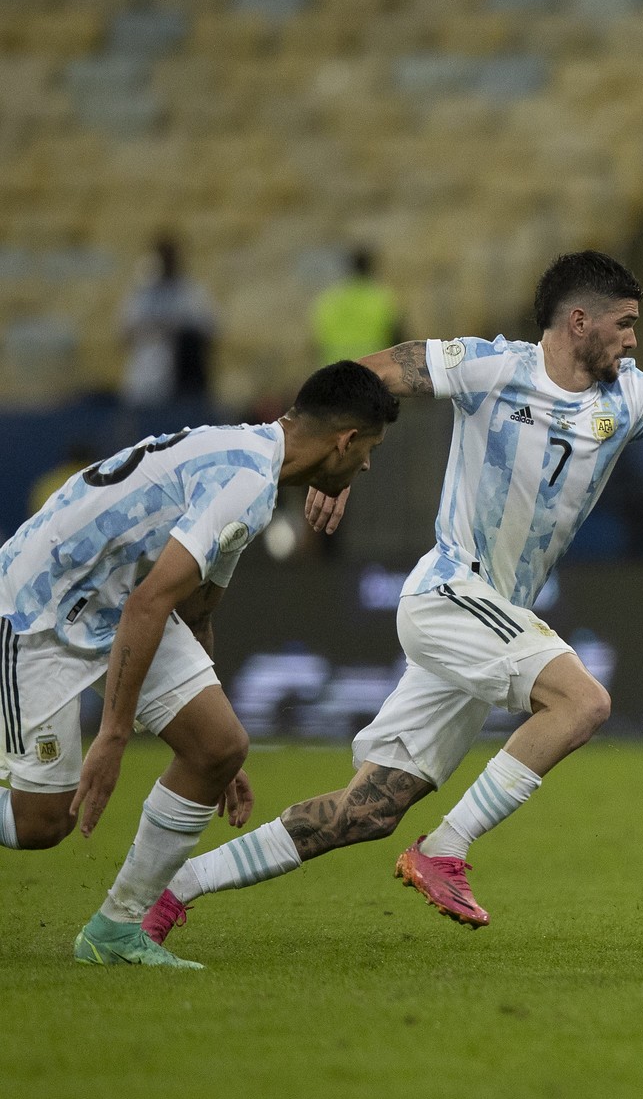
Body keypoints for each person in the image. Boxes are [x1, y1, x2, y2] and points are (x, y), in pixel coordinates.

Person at [146, 252, 643, 939]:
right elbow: (369, 373)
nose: (634, 340)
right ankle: (444, 848)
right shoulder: (493, 367)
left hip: (496, 620)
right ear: (579, 321)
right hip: (449, 592)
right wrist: (321, 457)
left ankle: (172, 891)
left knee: (367, 811)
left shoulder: (634, 396)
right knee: (584, 701)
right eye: (625, 323)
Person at [0, 362, 397, 967]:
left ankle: (115, 931)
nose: (366, 466)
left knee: (218, 744)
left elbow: (197, 610)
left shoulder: (252, 467)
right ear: (345, 441)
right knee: (41, 824)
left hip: (115, 602)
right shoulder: (246, 481)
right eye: (370, 449)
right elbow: (150, 603)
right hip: (41, 609)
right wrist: (113, 735)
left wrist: (212, 748)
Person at [121, 235, 215, 409]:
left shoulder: (190, 293)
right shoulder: (142, 295)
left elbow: (209, 331)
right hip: (145, 377)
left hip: (183, 385)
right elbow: (124, 333)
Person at [312, 246, 403, 364]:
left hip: (333, 366)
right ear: (371, 268)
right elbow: (397, 337)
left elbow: (318, 336)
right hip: (371, 366)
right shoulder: (381, 299)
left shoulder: (330, 298)